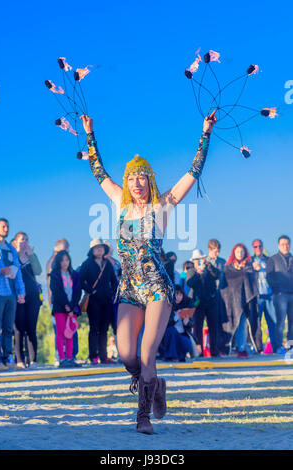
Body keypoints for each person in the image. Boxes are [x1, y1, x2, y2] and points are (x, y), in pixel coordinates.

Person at [80, 108, 217, 434]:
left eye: (141, 176)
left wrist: (206, 132)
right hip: (128, 289)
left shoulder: (164, 204)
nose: (135, 182)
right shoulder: (119, 202)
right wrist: (90, 135)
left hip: (157, 288)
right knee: (127, 356)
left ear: (149, 179)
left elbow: (193, 172)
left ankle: (142, 416)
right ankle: (156, 384)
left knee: (146, 354)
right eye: (131, 177)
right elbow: (98, 172)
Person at [0, 218, 25, 369]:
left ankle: (8, 358)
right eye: (3, 226)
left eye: (7, 226)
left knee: (8, 328)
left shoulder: (12, 249)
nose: (6, 229)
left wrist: (21, 292)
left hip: (11, 293)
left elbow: (18, 272)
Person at [80, 239, 118, 365]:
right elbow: (80, 281)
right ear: (92, 250)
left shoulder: (107, 264)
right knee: (94, 328)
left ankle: (103, 356)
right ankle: (93, 356)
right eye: (96, 248)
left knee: (104, 329)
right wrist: (91, 290)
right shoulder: (87, 264)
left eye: (101, 247)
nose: (99, 249)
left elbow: (114, 281)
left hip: (107, 301)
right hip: (93, 301)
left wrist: (112, 293)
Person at [220, 243, 258, 358]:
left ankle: (241, 349)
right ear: (234, 253)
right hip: (231, 302)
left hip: (245, 301)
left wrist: (254, 270)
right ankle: (227, 348)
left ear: (245, 253)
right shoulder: (228, 268)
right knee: (230, 325)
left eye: (242, 252)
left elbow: (253, 284)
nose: (240, 254)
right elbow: (224, 287)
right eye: (237, 252)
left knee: (241, 325)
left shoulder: (250, 267)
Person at [11, 232, 42, 369]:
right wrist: (17, 252)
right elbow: (11, 272)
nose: (25, 242)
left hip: (33, 296)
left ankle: (33, 360)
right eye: (22, 240)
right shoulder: (13, 256)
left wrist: (31, 255)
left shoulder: (31, 257)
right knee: (19, 329)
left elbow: (38, 271)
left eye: (27, 240)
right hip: (18, 296)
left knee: (31, 328)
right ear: (16, 242)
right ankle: (20, 360)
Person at [49, 250, 82, 368]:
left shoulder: (74, 275)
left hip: (72, 309)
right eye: (62, 260)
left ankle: (70, 358)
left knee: (70, 333)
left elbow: (78, 291)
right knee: (60, 333)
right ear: (58, 261)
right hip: (60, 308)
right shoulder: (54, 275)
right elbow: (56, 291)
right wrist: (66, 305)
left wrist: (72, 306)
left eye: (67, 260)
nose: (64, 262)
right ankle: (62, 359)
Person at [186, 249, 220, 357]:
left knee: (213, 327)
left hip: (210, 301)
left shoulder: (209, 269)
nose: (199, 261)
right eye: (197, 260)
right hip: (197, 303)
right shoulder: (191, 271)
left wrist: (208, 266)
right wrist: (197, 273)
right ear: (194, 261)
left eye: (200, 259)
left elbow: (217, 275)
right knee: (197, 328)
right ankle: (199, 352)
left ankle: (214, 351)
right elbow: (189, 283)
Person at [266, 235, 293, 354]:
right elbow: (269, 276)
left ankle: (290, 346)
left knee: (292, 322)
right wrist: (277, 290)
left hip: (292, 294)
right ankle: (278, 347)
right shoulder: (273, 259)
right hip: (280, 295)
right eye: (282, 244)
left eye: (287, 244)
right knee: (280, 322)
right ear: (278, 245)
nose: (285, 246)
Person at [251, 239, 277, 353]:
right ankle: (258, 348)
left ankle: (275, 347)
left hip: (269, 295)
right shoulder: (250, 261)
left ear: (262, 247)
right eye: (255, 247)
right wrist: (252, 269)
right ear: (253, 248)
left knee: (273, 321)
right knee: (257, 323)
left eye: (260, 246)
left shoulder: (269, 260)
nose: (258, 248)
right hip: (258, 296)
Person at [160, 285, 196, 362]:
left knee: (185, 342)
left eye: (180, 295)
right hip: (168, 337)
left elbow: (191, 323)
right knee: (171, 330)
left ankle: (180, 356)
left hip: (182, 336)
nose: (178, 297)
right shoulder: (167, 306)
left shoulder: (187, 304)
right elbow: (165, 324)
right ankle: (171, 355)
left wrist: (186, 321)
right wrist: (176, 317)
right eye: (176, 295)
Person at [206, 238, 228, 354]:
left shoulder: (223, 262)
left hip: (221, 295)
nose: (217, 253)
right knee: (210, 323)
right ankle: (207, 349)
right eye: (215, 251)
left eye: (218, 251)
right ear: (209, 249)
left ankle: (220, 348)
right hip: (208, 296)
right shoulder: (204, 261)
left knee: (220, 322)